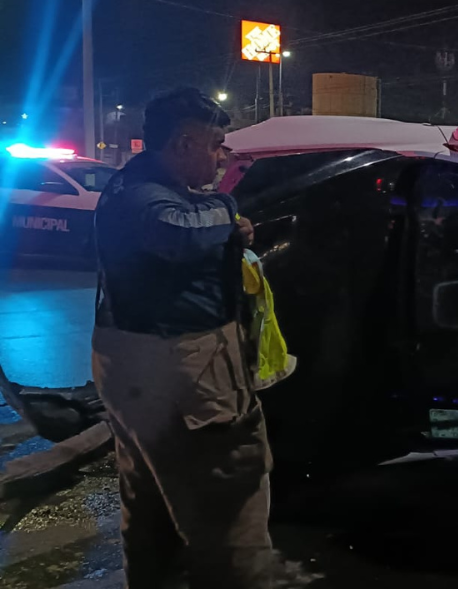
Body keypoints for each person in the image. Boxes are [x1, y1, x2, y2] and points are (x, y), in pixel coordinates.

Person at [92, 87, 273, 588]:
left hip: (134, 371)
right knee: (229, 508)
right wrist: (227, 212)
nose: (222, 158)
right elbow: (174, 231)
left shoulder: (130, 185)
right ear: (185, 144)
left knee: (149, 506)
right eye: (216, 145)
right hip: (182, 372)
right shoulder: (149, 198)